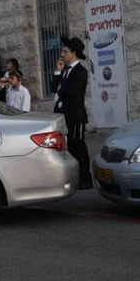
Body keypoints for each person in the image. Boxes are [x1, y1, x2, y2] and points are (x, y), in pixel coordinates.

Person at [52, 37, 92, 189]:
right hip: (63, 115)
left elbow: (72, 91)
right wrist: (58, 71)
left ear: (73, 53)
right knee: (67, 148)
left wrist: (61, 88)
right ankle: (72, 177)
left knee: (78, 147)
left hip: (75, 116)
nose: (63, 54)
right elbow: (53, 88)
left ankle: (85, 178)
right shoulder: (65, 70)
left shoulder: (80, 71)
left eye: (65, 51)